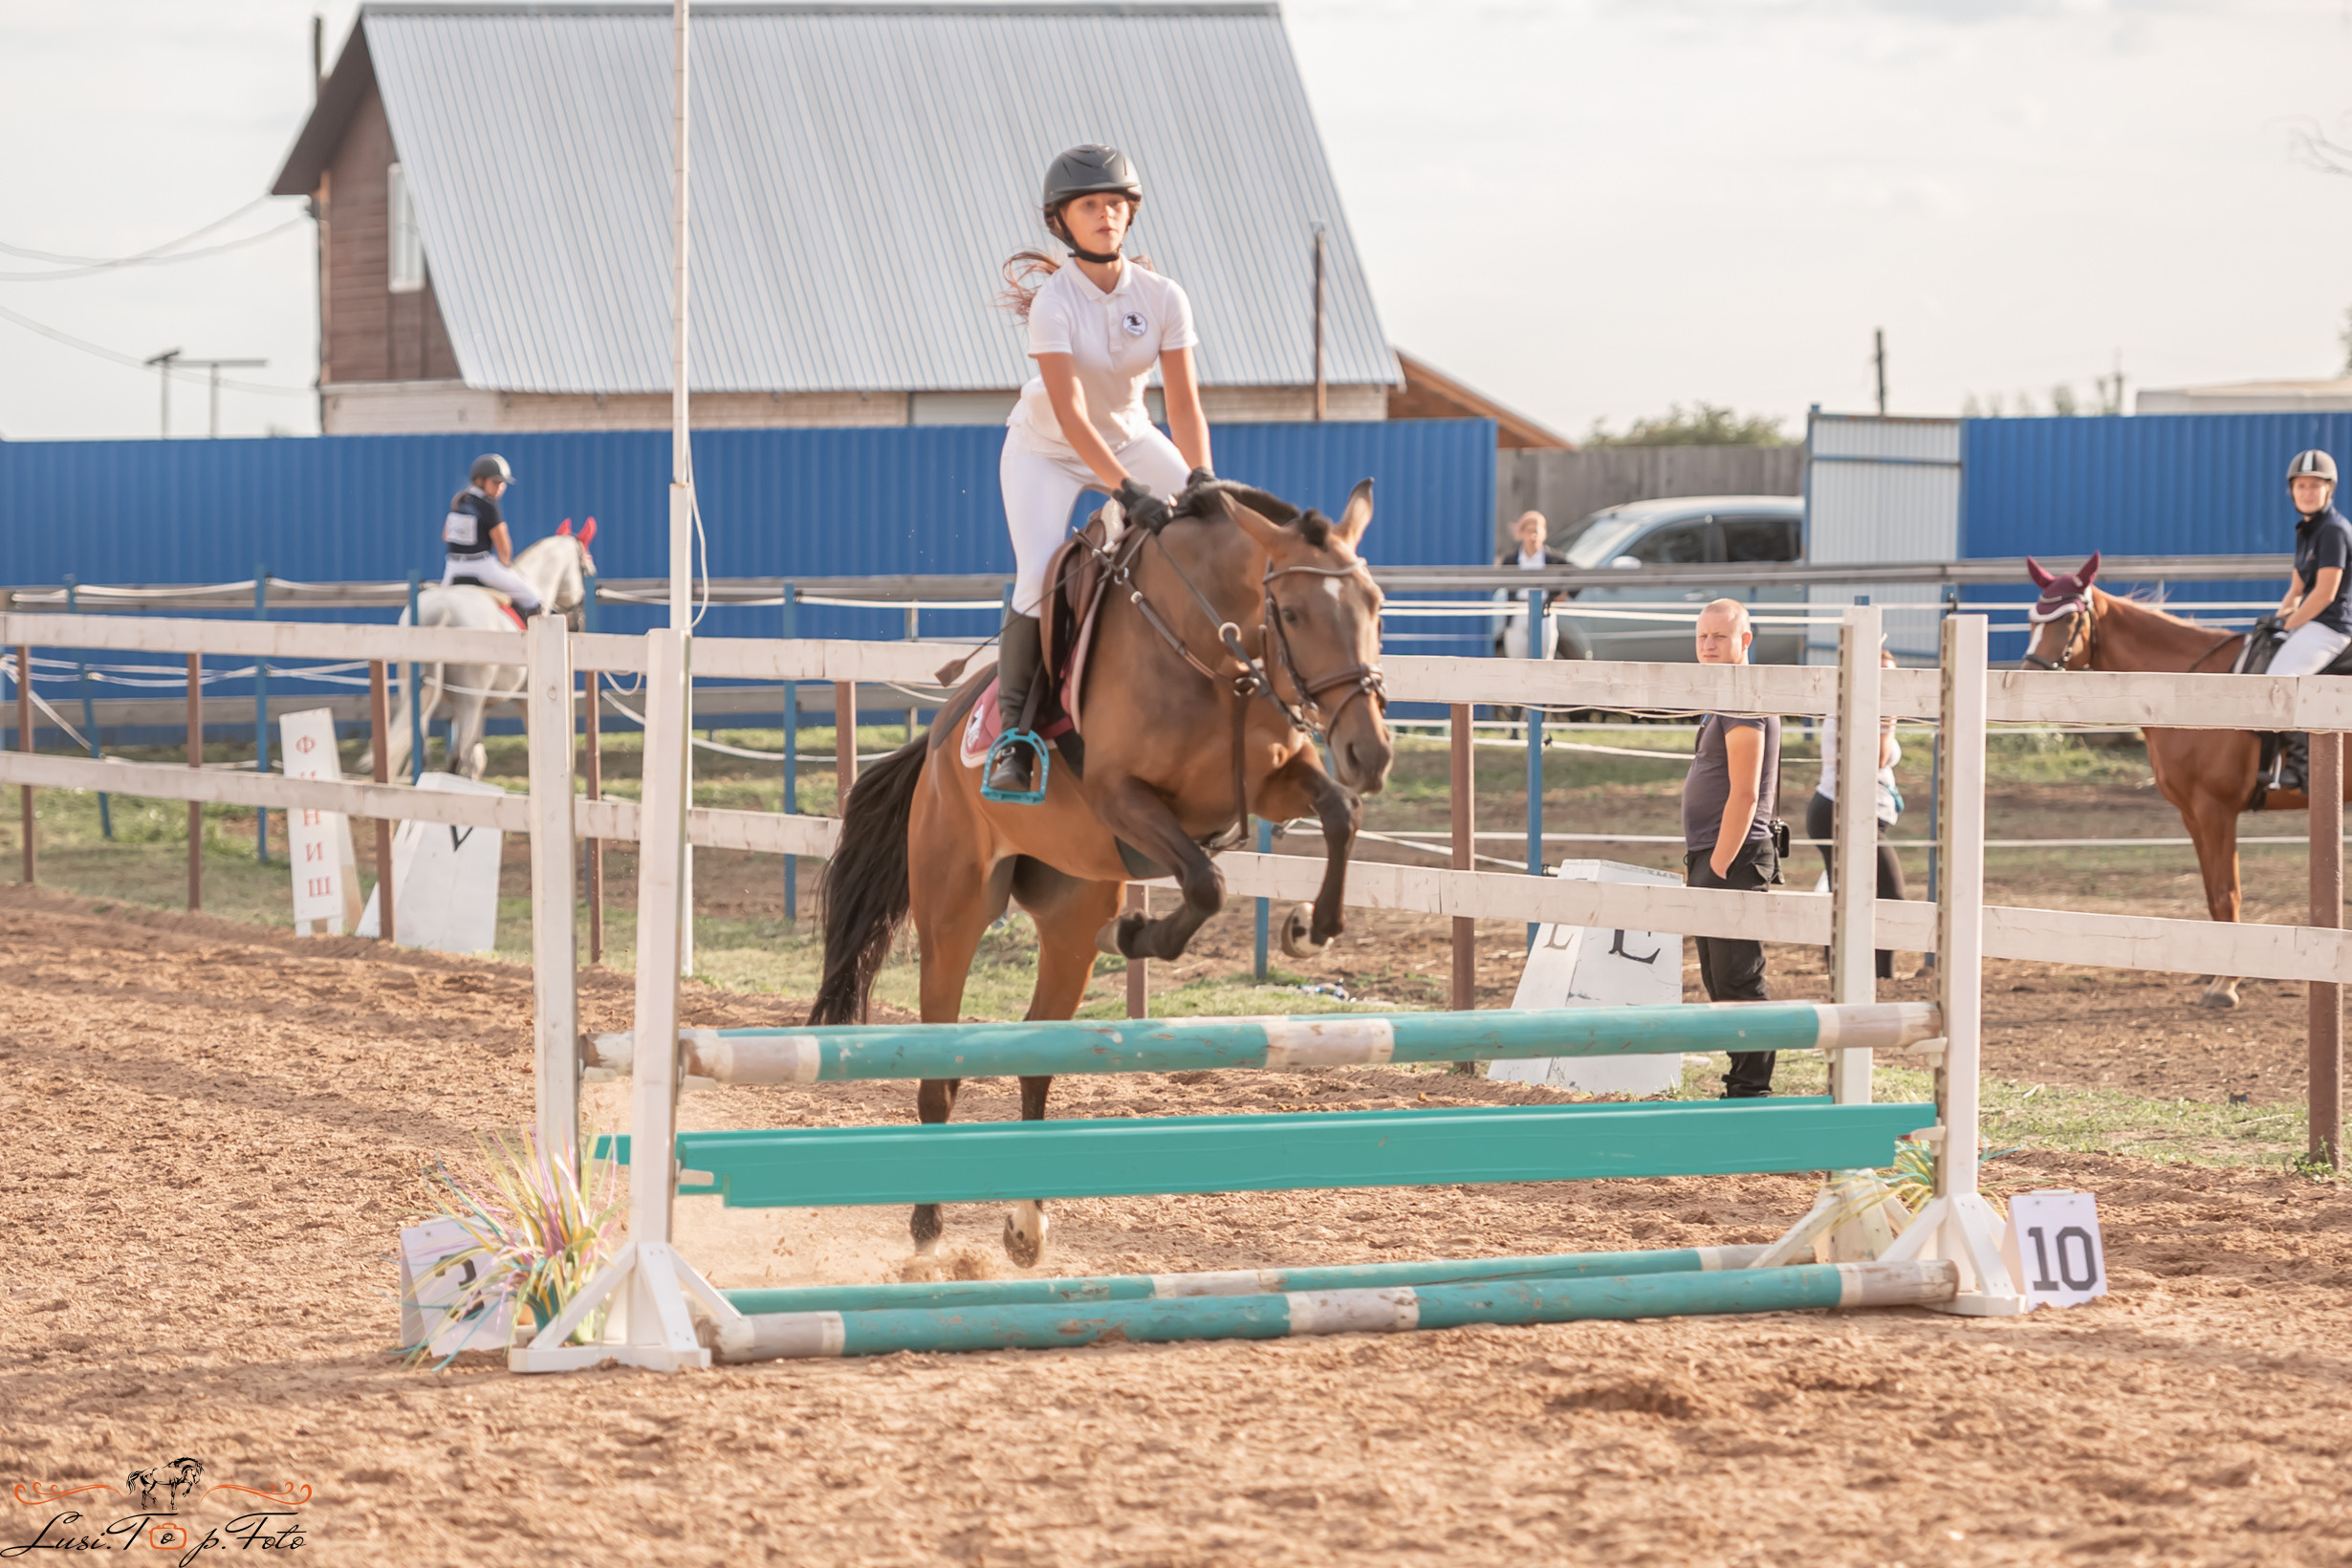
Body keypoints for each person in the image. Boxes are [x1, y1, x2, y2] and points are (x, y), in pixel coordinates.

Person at [987, 145, 1213, 796]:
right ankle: (1016, 736)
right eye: (1091, 205)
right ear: (1062, 222)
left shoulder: (1165, 296)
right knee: (1036, 574)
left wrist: (1201, 478)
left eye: (1116, 204)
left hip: (1132, 437)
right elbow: (1071, 414)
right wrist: (1126, 492)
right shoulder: (1055, 303)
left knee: (1211, 528)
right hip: (1047, 451)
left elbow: (1186, 405)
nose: (1106, 214)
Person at [1681, 599, 1782, 1098]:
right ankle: (1742, 1081)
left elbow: (1744, 792)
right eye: (1702, 636)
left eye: (1720, 636)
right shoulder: (1723, 696)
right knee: (1719, 981)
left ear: (1745, 640)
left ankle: (1751, 1088)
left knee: (1737, 979)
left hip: (1734, 857)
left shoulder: (1743, 699)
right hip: (1713, 854)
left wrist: (1718, 866)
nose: (1708, 645)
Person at [1806, 648, 1906, 980]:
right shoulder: (1863, 709)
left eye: (1891, 673)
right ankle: (1877, 978)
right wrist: (1889, 720)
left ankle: (1852, 973)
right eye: (1881, 673)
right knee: (1888, 894)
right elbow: (1877, 758)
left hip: (1850, 809)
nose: (1886, 681)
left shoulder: (1861, 706)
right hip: (1844, 810)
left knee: (1849, 891)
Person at [2269, 449, 2352, 676]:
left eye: (2315, 485)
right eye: (2301, 486)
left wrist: (2288, 625)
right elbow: (2296, 590)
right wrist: (2278, 619)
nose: (2307, 493)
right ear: (2292, 491)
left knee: (2276, 679)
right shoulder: (2306, 530)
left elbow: (2325, 594)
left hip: (2331, 627)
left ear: (2329, 489)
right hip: (2310, 623)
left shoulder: (2333, 530)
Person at [441, 453, 542, 619]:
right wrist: (505, 564)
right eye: (496, 482)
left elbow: (445, 535)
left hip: (452, 567)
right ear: (480, 481)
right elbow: (503, 551)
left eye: (502, 483)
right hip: (482, 566)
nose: (501, 487)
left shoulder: (459, 500)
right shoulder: (489, 506)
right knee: (532, 597)